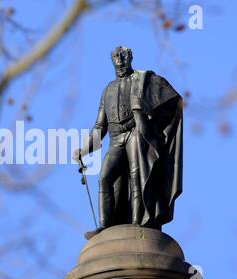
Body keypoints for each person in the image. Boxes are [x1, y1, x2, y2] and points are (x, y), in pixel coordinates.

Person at [73, 46, 183, 240]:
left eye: (124, 54)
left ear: (131, 57)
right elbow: (100, 126)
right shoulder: (108, 89)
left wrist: (151, 119)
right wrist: (84, 150)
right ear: (111, 59)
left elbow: (172, 100)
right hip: (116, 139)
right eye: (116, 55)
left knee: (137, 176)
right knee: (104, 178)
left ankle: (136, 223)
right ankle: (104, 226)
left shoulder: (142, 80)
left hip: (135, 133)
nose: (120, 58)